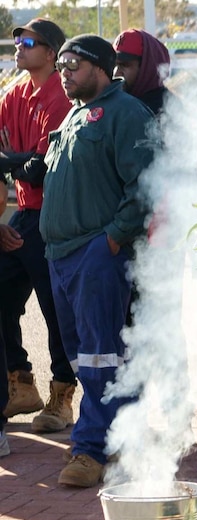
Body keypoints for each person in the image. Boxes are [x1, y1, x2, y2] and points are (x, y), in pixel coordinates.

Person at [40, 35, 154, 487]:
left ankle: (90, 450)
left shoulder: (126, 113)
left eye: (73, 63)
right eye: (62, 63)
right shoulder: (74, 114)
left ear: (101, 68)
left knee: (99, 356)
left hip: (96, 253)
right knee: (86, 356)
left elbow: (145, 187)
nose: (63, 70)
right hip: (60, 255)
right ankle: (126, 436)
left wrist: (110, 241)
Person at [0, 18, 77, 434]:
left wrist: (15, 162)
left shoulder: (62, 98)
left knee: (56, 311)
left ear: (51, 53)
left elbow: (42, 169)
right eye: (16, 41)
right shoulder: (14, 94)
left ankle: (62, 396)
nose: (19, 46)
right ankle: (20, 381)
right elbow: (21, 164)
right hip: (24, 215)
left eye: (28, 42)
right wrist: (18, 162)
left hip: (57, 218)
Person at [113, 29, 170, 116]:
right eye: (114, 65)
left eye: (124, 65)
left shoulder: (167, 108)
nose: (116, 73)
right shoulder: (116, 101)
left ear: (147, 67)